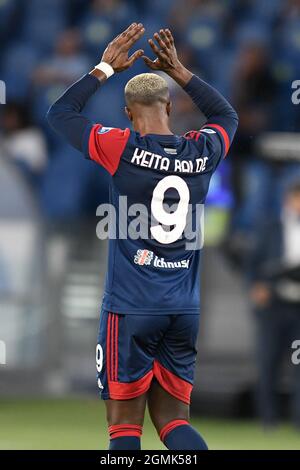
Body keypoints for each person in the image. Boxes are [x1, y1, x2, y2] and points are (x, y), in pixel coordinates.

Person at [47, 23, 238, 450]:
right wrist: (181, 70)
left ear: (129, 114)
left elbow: (60, 114)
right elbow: (226, 115)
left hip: (130, 308)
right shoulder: (203, 150)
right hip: (183, 311)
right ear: (170, 106)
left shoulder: (122, 146)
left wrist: (103, 68)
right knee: (173, 423)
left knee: (125, 429)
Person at [249, 181, 300, 430]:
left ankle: (297, 420)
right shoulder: (271, 227)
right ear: (288, 200)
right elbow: (253, 262)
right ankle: (267, 419)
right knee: (269, 361)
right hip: (275, 306)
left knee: (298, 362)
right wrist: (256, 286)